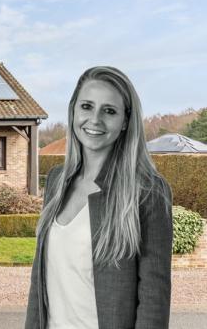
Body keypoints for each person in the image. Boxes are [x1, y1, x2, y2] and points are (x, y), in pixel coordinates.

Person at [25, 66, 173, 329]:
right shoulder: (58, 181)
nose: (95, 120)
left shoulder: (147, 191)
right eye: (87, 106)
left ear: (125, 121)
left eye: (109, 111)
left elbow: (154, 297)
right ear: (73, 111)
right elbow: (39, 283)